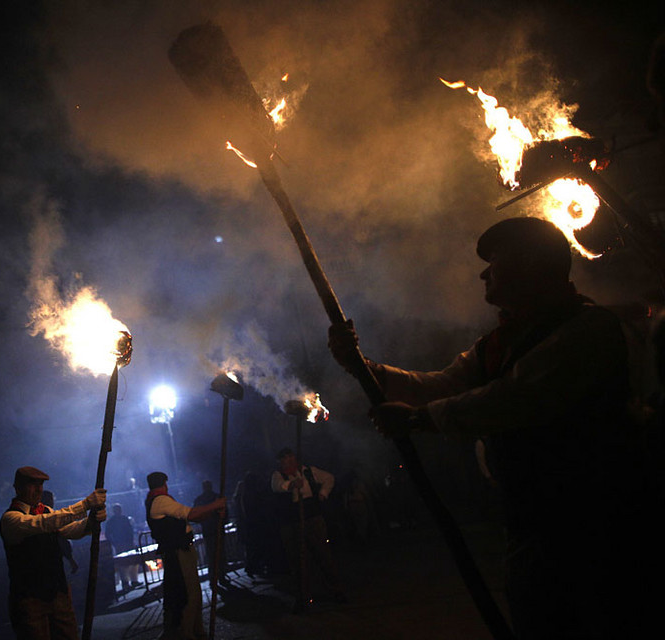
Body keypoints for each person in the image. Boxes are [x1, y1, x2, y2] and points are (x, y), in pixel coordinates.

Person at [328, 216, 647, 639]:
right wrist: (364, 368)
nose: (483, 272)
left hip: (592, 524)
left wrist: (419, 420)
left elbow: (514, 398)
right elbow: (439, 387)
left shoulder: (590, 328)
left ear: (531, 263)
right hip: (530, 522)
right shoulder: (498, 343)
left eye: (494, 260)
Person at [0, 466, 107, 640]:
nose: (38, 490)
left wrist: (91, 521)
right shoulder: (11, 519)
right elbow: (44, 523)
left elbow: (71, 530)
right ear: (18, 488)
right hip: (29, 599)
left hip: (58, 593)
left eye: (40, 485)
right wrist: (85, 505)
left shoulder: (46, 511)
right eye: (32, 485)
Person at [145, 471, 225, 640]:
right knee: (187, 593)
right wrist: (215, 505)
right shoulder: (160, 501)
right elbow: (190, 514)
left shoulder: (161, 500)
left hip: (181, 549)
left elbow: (189, 518)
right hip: (177, 552)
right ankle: (186, 632)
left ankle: (196, 629)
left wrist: (212, 512)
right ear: (162, 484)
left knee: (193, 591)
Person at [270, 448, 346, 611]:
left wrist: (323, 493)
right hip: (291, 523)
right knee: (298, 560)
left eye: (290, 460)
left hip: (313, 518)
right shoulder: (277, 476)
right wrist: (291, 485)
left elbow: (329, 478)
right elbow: (278, 486)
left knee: (323, 554)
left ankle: (336, 590)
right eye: (284, 461)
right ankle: (303, 597)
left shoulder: (309, 471)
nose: (287, 464)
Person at [192, 480, 226, 584]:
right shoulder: (216, 498)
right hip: (213, 529)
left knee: (214, 554)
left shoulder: (203, 499)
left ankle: (216, 577)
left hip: (211, 529)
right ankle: (219, 576)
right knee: (218, 553)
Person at [103, 503, 140, 591]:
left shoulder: (120, 520)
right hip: (122, 544)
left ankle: (131, 581)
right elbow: (108, 534)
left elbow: (129, 532)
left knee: (131, 562)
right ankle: (127, 582)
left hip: (125, 544)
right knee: (124, 563)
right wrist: (114, 543)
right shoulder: (119, 520)